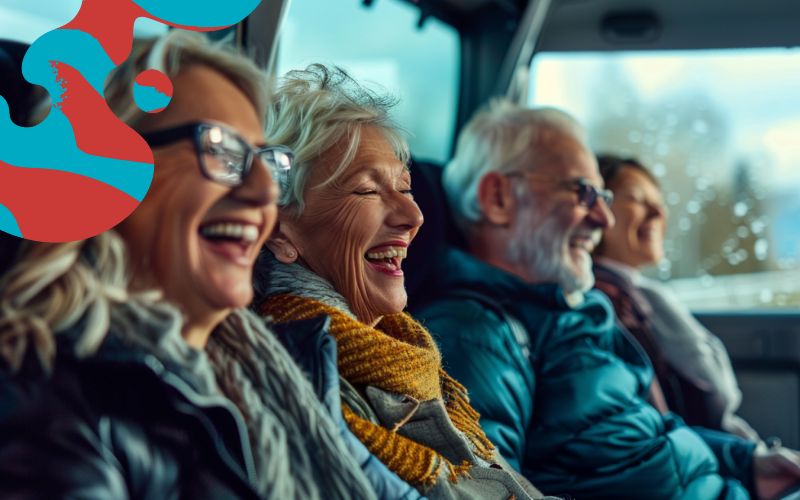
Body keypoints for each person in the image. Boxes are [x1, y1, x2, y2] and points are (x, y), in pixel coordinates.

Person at [0, 31, 378, 499]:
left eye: (266, 162)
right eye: (220, 149)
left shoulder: (278, 365)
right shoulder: (41, 404)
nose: (265, 194)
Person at [410, 99, 800, 499]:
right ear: (498, 198)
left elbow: (648, 435)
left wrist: (748, 462)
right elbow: (486, 491)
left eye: (605, 198)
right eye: (583, 193)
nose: (604, 219)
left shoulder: (566, 313)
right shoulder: (472, 336)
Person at [254, 64, 547, 499]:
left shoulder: (406, 355)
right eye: (368, 191)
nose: (414, 216)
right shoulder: (302, 378)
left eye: (405, 189)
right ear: (281, 230)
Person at [592, 154, 759, 440]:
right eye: (636, 199)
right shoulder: (625, 299)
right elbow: (716, 392)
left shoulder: (625, 292)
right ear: (595, 209)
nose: (658, 212)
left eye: (659, 201)